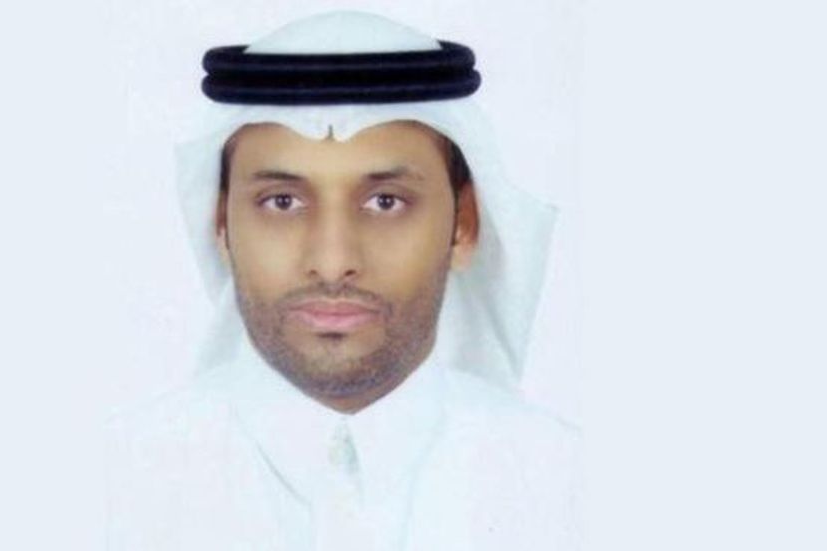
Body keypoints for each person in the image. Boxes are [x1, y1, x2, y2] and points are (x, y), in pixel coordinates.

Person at [106, 10, 580, 551]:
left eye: (386, 202)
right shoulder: (108, 488)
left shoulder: (571, 490)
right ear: (221, 223)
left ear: (464, 223)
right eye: (282, 202)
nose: (332, 263)